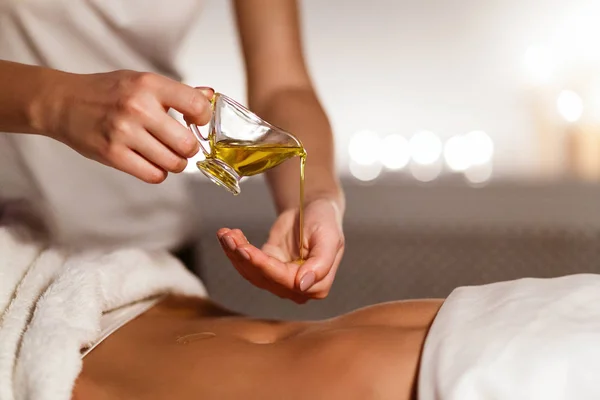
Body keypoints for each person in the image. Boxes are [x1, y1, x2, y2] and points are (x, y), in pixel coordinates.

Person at [0, 0, 344, 303]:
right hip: (12, 249)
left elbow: (283, 85)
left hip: (154, 256)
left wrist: (316, 199)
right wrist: (56, 103)